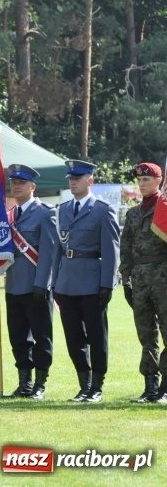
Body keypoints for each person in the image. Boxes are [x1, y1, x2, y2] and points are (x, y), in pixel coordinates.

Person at [53, 160, 120, 403]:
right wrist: (55, 282)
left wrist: (107, 284)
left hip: (92, 282)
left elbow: (111, 250)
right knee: (73, 337)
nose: (73, 181)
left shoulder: (103, 210)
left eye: (78, 177)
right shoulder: (62, 210)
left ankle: (97, 386)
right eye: (71, 177)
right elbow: (57, 250)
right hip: (67, 282)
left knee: (96, 337)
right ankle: (84, 384)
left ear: (90, 180)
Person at [3, 164, 57, 399]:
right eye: (14, 183)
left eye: (21, 183)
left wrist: (42, 283)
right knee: (18, 336)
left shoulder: (45, 213)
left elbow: (49, 252)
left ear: (32, 186)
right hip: (14, 284)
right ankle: (24, 383)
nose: (16, 186)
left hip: (36, 284)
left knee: (41, 336)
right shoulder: (9, 215)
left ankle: (40, 384)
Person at [120, 162, 167, 403]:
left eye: (146, 180)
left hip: (163, 279)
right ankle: (150, 386)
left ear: (159, 181)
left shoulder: (165, 209)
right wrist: (125, 278)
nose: (141, 184)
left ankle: (166, 388)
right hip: (139, 281)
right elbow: (126, 247)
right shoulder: (133, 213)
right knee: (146, 334)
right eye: (138, 180)